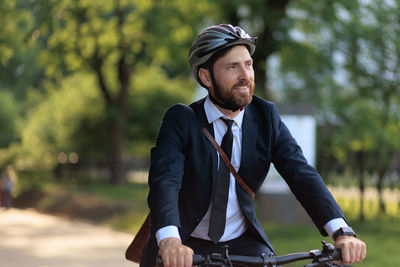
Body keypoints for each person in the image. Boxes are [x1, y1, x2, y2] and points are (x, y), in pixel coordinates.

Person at [141, 24, 366, 267]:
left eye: (248, 64)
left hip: (242, 243)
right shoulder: (181, 120)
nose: (245, 75)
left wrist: (341, 230)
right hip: (185, 242)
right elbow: (165, 182)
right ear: (206, 76)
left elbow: (301, 173)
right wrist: (169, 241)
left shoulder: (265, 116)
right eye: (232, 67)